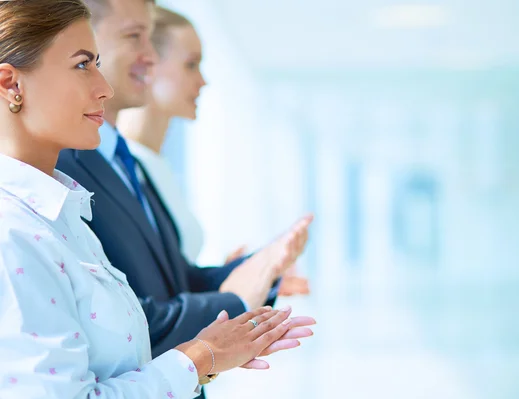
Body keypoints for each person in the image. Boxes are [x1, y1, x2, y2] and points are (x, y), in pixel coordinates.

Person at [0, 1, 315, 398]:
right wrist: (201, 357)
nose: (104, 87)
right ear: (12, 85)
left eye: (96, 62)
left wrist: (221, 340)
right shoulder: (12, 231)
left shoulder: (63, 213)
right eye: (83, 64)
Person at [117, 6, 310, 298]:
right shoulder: (119, 168)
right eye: (191, 64)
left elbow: (174, 279)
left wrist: (243, 274)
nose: (202, 81)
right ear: (147, 63)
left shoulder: (154, 167)